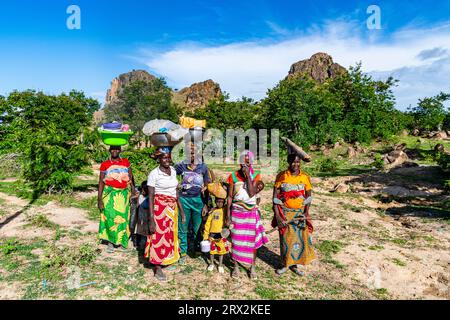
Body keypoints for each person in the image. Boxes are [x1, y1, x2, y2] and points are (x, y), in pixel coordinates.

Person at [145, 148, 186, 281]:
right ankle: (157, 267)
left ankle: (166, 259)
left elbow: (175, 193)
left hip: (171, 209)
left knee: (169, 235)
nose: (167, 160)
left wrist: (182, 211)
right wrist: (151, 219)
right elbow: (151, 197)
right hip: (159, 209)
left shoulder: (173, 171)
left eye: (168, 157)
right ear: (158, 159)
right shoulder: (154, 174)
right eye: (164, 158)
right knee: (157, 236)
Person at [226, 150, 268, 280]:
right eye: (243, 161)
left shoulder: (256, 175)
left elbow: (251, 193)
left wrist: (248, 176)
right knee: (236, 241)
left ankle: (252, 267)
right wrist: (227, 216)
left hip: (251, 213)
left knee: (252, 241)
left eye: (248, 161)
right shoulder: (233, 176)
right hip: (237, 213)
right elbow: (229, 197)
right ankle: (236, 267)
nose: (245, 163)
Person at [272, 153, 316, 276]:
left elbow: (309, 196)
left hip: (299, 214)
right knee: (286, 239)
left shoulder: (305, 177)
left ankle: (295, 265)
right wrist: (278, 216)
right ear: (288, 162)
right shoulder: (281, 176)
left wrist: (306, 212)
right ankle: (285, 264)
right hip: (285, 213)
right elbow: (275, 198)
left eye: (297, 162)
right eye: (292, 162)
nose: (295, 164)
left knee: (298, 240)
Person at [98, 145, 137, 253]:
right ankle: (111, 242)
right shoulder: (105, 164)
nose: (115, 151)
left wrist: (133, 190)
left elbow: (131, 177)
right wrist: (99, 199)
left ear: (120, 150)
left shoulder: (125, 162)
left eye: (117, 149)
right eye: (113, 149)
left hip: (123, 194)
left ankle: (122, 242)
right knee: (110, 217)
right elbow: (101, 182)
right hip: (109, 194)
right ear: (110, 150)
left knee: (124, 218)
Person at [175, 144, 210, 262]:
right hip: (183, 200)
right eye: (190, 153)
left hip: (198, 201)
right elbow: (171, 175)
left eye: (195, 152)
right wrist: (176, 186)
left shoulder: (203, 167)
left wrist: (205, 204)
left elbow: (208, 186)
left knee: (197, 228)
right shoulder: (181, 166)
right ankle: (183, 253)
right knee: (182, 227)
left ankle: (197, 250)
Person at [203, 196, 230, 274]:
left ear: (224, 202)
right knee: (212, 251)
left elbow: (229, 202)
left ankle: (220, 265)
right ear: (215, 201)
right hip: (212, 234)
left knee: (221, 251)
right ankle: (211, 263)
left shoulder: (225, 210)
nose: (219, 203)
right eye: (218, 201)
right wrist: (206, 235)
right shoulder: (212, 212)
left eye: (222, 202)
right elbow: (208, 223)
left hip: (221, 234)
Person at [130, 180, 150, 263]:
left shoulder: (150, 198)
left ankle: (143, 249)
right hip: (140, 219)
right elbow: (135, 202)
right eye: (142, 189)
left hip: (146, 220)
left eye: (144, 190)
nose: (142, 191)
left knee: (145, 235)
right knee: (140, 233)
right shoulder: (141, 196)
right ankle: (139, 246)